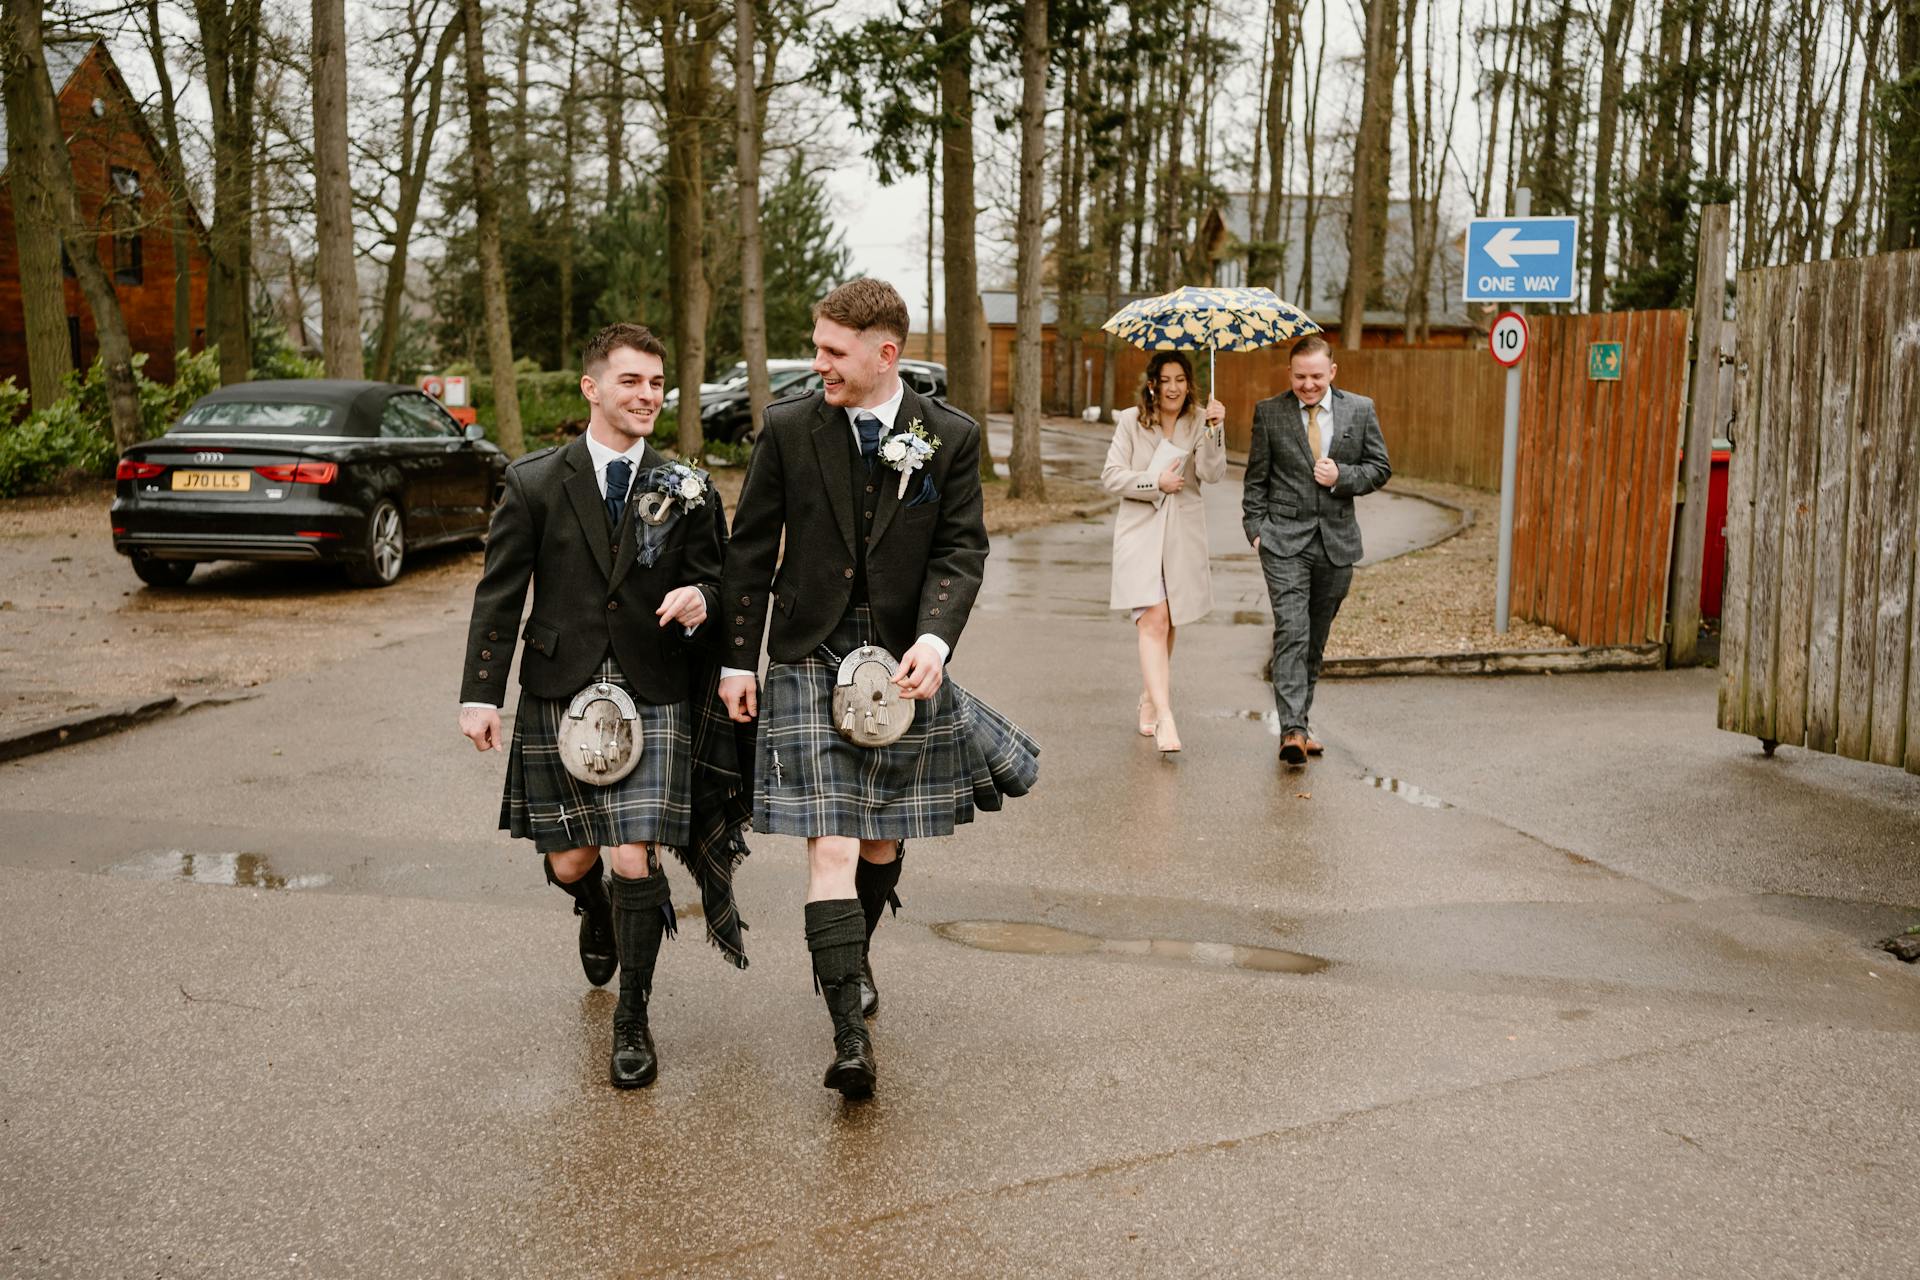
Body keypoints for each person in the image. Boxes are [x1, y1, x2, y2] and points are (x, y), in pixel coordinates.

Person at [717, 278, 990, 1101]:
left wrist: (937, 639)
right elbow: (750, 548)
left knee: (879, 845)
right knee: (831, 845)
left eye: (833, 351)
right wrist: (738, 660)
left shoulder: (948, 436)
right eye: (817, 345)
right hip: (808, 651)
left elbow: (961, 550)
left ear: (886, 354)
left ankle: (853, 953)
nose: (819, 363)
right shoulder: (791, 427)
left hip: (901, 657)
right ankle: (847, 1039)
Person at [457, 322, 732, 1090]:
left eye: (656, 383)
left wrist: (700, 598)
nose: (648, 396)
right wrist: (481, 692)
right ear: (592, 389)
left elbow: (721, 580)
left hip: (652, 686)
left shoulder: (687, 488)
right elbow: (501, 592)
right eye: (631, 382)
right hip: (561, 687)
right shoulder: (537, 480)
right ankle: (595, 908)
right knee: (571, 857)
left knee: (633, 853)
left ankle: (634, 1019)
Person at [1241, 334, 1391, 766]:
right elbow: (1256, 479)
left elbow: (1380, 467)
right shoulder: (1269, 413)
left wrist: (1342, 476)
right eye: (1301, 376)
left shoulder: (1359, 410)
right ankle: (1291, 730)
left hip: (1337, 543)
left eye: (1316, 377)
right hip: (1284, 542)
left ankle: (1301, 723)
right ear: (1290, 373)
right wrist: (1256, 529)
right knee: (1292, 630)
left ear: (1333, 372)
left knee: (1315, 638)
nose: (1308, 385)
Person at [1102, 351, 1228, 755]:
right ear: (1152, 383)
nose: (1173, 388)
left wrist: (1215, 430)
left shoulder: (1198, 421)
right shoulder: (1130, 421)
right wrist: (1154, 481)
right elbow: (1112, 476)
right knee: (1152, 620)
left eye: (1181, 380)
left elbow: (1210, 474)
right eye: (1165, 379)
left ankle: (1149, 697)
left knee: (1168, 622)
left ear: (1189, 384)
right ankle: (1167, 715)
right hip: (1141, 532)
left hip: (1182, 535)